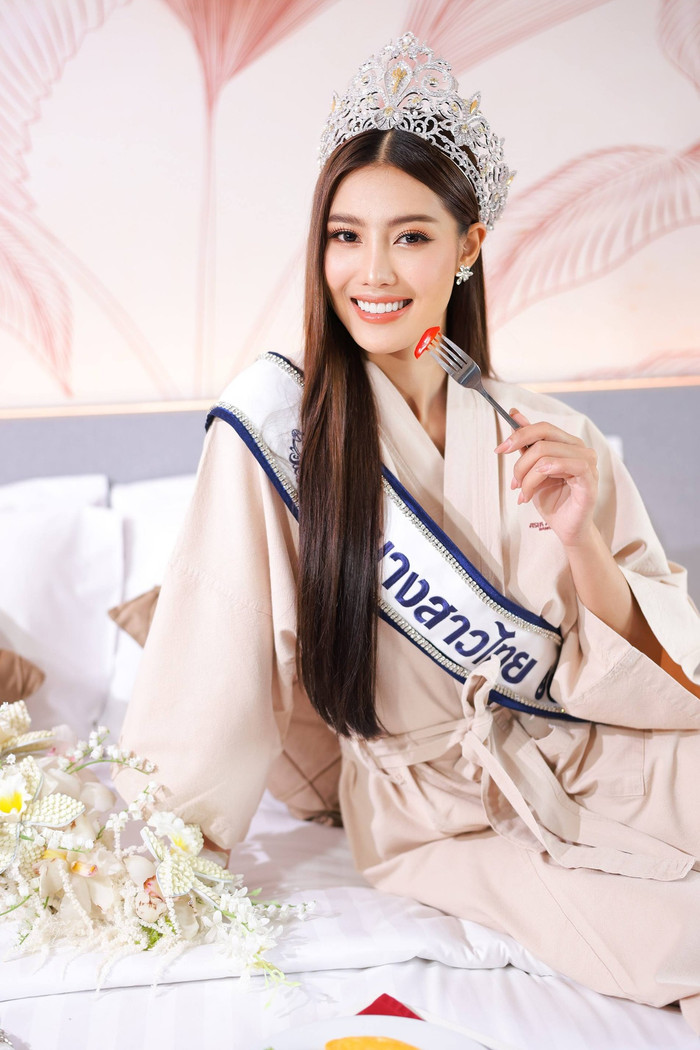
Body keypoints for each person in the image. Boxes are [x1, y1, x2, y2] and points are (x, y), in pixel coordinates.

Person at [116, 33, 700, 1031]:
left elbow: (646, 666)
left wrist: (578, 537)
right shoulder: (276, 432)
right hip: (434, 812)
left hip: (592, 753)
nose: (371, 271)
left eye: (411, 236)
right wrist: (171, 851)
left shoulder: (553, 434)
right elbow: (220, 640)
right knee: (676, 939)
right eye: (345, 236)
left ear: (468, 248)